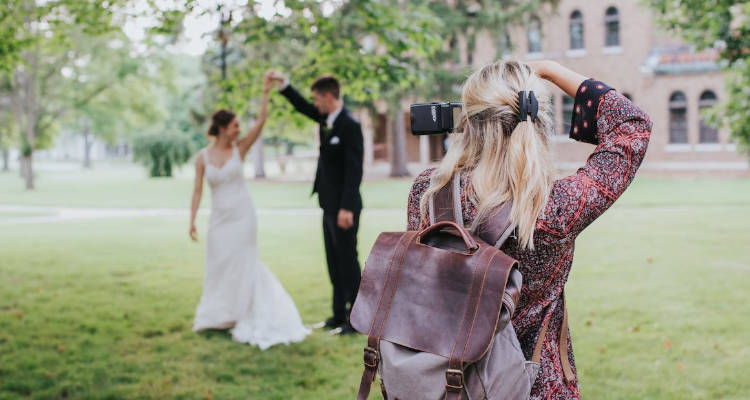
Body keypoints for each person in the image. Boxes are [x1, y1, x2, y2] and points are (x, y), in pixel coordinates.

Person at [406, 60, 651, 398]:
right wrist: (550, 69)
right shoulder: (555, 207)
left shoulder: (429, 193)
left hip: (447, 382)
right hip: (536, 383)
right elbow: (632, 125)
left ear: (468, 121)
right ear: (536, 123)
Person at [189, 74, 310, 349]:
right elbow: (197, 191)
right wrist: (192, 220)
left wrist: (266, 91)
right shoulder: (202, 157)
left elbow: (261, 123)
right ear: (221, 128)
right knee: (219, 264)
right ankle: (219, 314)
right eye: (233, 126)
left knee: (244, 263)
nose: (238, 130)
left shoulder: (240, 150)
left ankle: (243, 312)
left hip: (243, 216)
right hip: (219, 219)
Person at [266, 71, 364, 335]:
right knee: (333, 261)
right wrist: (284, 85)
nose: (315, 104)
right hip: (327, 204)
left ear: (329, 96)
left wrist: (346, 207)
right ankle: (337, 315)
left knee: (348, 262)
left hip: (345, 207)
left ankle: (356, 320)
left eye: (317, 99)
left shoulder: (350, 126)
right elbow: (302, 107)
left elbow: (354, 171)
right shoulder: (325, 120)